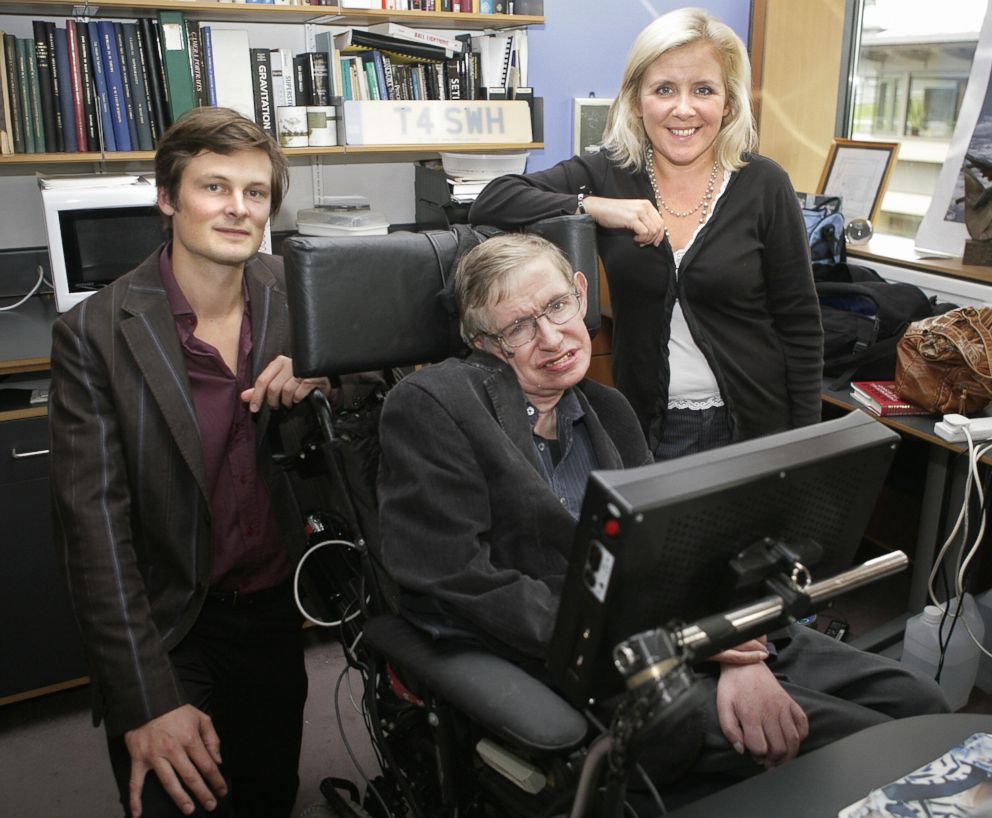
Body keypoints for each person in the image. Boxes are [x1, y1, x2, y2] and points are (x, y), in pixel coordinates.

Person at [376, 233, 948, 805]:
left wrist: (734, 645)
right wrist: (684, 642)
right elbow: (456, 577)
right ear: (484, 343)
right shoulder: (437, 404)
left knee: (918, 706)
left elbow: (681, 547)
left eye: (555, 306)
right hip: (579, 655)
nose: (551, 337)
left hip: (685, 627)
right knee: (865, 748)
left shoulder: (611, 411)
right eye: (519, 327)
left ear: (580, 293)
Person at [49, 107, 325, 818]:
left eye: (256, 192)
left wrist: (324, 374)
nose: (238, 209)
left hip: (270, 614)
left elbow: (368, 397)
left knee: (267, 796)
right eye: (214, 187)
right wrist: (145, 697)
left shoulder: (301, 295)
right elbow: (94, 538)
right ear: (168, 198)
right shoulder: (95, 335)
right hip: (168, 625)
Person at [470, 7, 823, 460]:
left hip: (755, 427)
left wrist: (809, 444)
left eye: (703, 90)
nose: (683, 108)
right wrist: (593, 206)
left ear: (728, 103)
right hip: (646, 427)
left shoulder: (763, 184)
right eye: (664, 89)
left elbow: (800, 326)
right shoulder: (606, 174)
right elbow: (493, 200)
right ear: (638, 101)